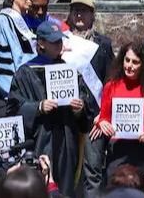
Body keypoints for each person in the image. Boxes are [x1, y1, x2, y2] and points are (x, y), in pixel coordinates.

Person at [7, 22, 99, 197]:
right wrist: (38, 107)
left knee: (65, 189)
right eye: (53, 41)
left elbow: (87, 106)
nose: (59, 45)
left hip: (67, 142)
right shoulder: (25, 73)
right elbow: (13, 109)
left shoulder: (69, 71)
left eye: (60, 41)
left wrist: (80, 108)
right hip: (40, 140)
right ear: (41, 43)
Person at [89, 42, 144, 180]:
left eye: (135, 62)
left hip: (143, 146)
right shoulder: (110, 86)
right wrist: (102, 123)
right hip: (118, 147)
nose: (129, 66)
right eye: (127, 60)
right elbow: (104, 116)